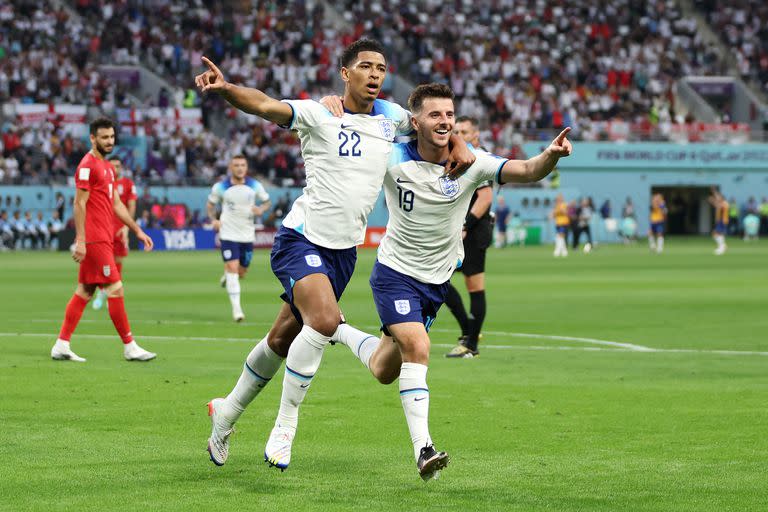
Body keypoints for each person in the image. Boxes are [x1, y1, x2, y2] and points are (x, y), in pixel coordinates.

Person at [196, 40, 474, 468]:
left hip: (344, 254)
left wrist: (458, 144)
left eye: (381, 67)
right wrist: (227, 87)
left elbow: (430, 127)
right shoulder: (320, 112)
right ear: (346, 74)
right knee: (324, 321)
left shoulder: (392, 118)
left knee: (280, 340)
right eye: (365, 66)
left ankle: (227, 412)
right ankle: (284, 426)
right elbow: (267, 105)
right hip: (301, 239)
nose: (376, 74)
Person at [321, 83, 571, 479]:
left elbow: (525, 170)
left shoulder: (472, 163)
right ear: (415, 120)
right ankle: (424, 450)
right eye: (436, 115)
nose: (445, 122)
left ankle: (338, 329)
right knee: (418, 347)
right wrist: (332, 103)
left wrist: (550, 156)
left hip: (435, 283)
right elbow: (359, 120)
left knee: (384, 369)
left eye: (450, 116)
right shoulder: (389, 157)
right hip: (395, 275)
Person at [49, 117, 157, 363]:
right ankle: (130, 346)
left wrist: (136, 230)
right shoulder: (87, 165)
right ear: (92, 138)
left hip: (104, 238)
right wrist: (80, 239)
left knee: (85, 291)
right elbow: (79, 203)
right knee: (115, 288)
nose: (109, 141)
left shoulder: (107, 167)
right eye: (104, 137)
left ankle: (61, 344)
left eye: (111, 137)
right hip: (95, 240)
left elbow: (116, 204)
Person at [444, 116, 494, 359]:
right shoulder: (458, 156)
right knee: (439, 281)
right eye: (456, 131)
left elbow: (485, 197)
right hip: (459, 228)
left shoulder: (478, 157)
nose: (459, 135)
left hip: (474, 229)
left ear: (475, 135)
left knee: (474, 286)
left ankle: (471, 342)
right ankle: (468, 331)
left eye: (464, 132)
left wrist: (466, 224)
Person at [207, 155, 271, 322]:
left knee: (241, 271)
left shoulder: (255, 185)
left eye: (243, 165)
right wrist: (213, 219)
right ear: (230, 167)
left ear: (246, 167)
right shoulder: (220, 187)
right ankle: (237, 311)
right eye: (236, 165)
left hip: (247, 234)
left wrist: (261, 209)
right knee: (233, 267)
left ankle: (226, 277)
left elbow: (267, 202)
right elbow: (210, 205)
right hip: (228, 233)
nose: (240, 168)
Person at [93, 157, 137, 310]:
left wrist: (127, 226)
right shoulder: (101, 183)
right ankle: (102, 291)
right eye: (112, 166)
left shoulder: (128, 184)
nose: (115, 169)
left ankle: (112, 292)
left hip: (119, 230)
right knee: (101, 263)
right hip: (102, 229)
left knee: (117, 262)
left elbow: (131, 206)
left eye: (118, 166)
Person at [709, 189, 729, 255]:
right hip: (720, 221)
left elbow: (719, 205)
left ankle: (722, 247)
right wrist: (714, 194)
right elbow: (717, 205)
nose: (718, 198)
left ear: (722, 198)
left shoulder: (724, 203)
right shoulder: (721, 203)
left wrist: (714, 194)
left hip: (722, 221)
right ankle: (722, 246)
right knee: (719, 234)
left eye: (720, 197)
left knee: (715, 234)